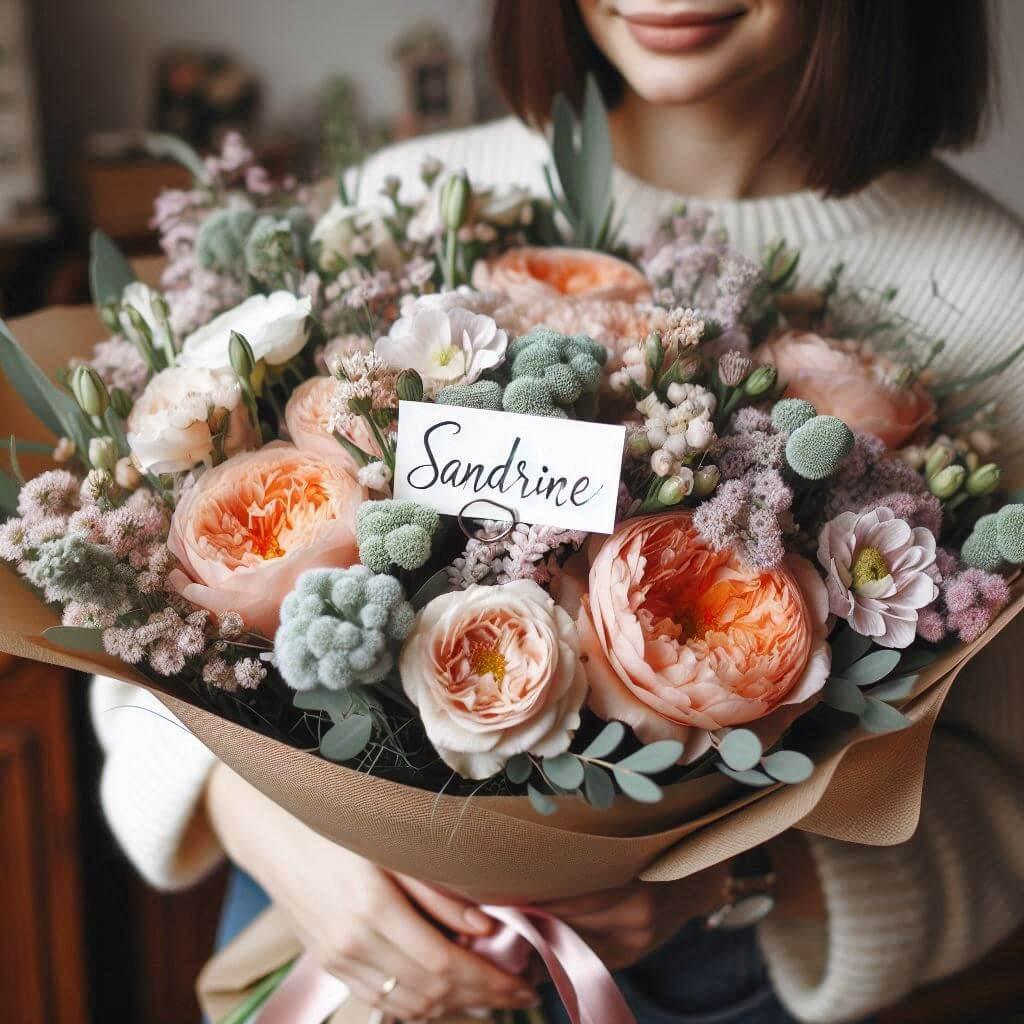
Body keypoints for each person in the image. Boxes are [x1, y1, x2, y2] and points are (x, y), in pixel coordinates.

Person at [91, 2, 1024, 1021]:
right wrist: (269, 829)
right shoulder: (409, 197)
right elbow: (141, 606)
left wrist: (728, 880)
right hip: (328, 929)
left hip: (695, 977)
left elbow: (1003, 802)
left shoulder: (994, 293)